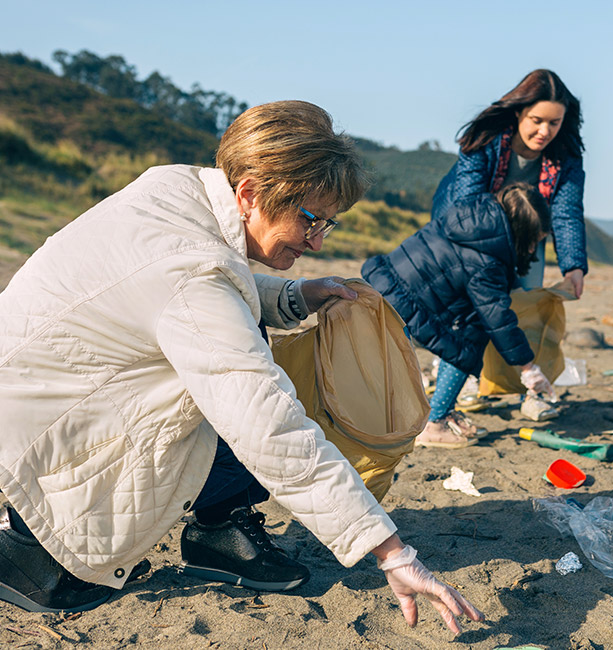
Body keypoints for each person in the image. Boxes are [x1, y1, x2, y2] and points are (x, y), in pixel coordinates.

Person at [0, 101, 482, 635]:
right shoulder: (193, 275)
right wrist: (390, 552)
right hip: (47, 423)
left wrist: (294, 296)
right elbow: (266, 421)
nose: (318, 240)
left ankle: (215, 528)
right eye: (309, 218)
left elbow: (194, 281)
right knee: (258, 397)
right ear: (250, 193)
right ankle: (28, 543)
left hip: (39, 387)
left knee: (248, 348)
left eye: (328, 222)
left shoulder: (179, 188)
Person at [431, 68, 586, 417]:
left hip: (528, 239)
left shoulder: (566, 157)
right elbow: (466, 204)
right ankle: (461, 386)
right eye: (536, 120)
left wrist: (573, 266)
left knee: (523, 306)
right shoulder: (485, 140)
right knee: (469, 312)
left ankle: (528, 392)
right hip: (466, 232)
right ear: (518, 113)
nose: (545, 131)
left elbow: (566, 213)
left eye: (555, 123)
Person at [362, 183, 559, 448]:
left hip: (383, 286)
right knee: (467, 343)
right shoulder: (487, 260)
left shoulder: (468, 216)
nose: (534, 250)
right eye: (534, 241)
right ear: (521, 233)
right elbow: (498, 320)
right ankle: (435, 423)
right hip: (402, 306)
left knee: (466, 326)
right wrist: (528, 368)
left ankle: (438, 413)